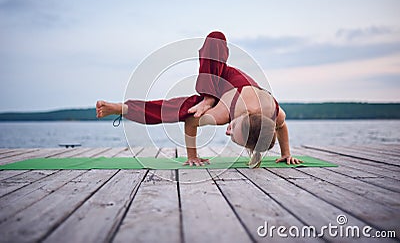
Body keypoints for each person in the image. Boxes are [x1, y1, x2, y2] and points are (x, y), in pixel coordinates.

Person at [96, 31, 302, 168]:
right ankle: (208, 96)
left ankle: (121, 108)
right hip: (219, 78)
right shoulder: (224, 113)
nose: (227, 131)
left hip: (229, 96)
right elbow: (191, 121)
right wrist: (192, 155)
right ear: (242, 117)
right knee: (216, 37)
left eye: (231, 136)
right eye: (233, 129)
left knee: (173, 110)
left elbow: (280, 127)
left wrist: (286, 153)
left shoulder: (275, 114)